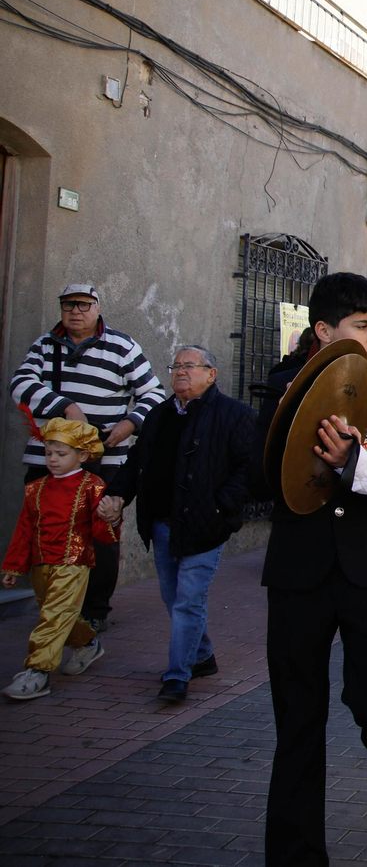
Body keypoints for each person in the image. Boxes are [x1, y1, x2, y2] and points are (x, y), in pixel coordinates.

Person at [254, 272, 367, 863]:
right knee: (297, 720)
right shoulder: (281, 390)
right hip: (299, 572)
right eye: (363, 325)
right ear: (324, 331)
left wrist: (357, 467)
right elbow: (258, 479)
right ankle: (296, 853)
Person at [102, 345, 254, 705]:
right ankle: (201, 656)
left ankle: (177, 676)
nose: (180, 372)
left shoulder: (235, 415)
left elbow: (247, 469)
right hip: (163, 524)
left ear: (211, 374)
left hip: (205, 525)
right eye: (176, 366)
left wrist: (219, 508)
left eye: (190, 366)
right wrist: (117, 495)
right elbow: (137, 460)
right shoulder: (158, 416)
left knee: (188, 600)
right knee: (173, 597)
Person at [9, 284, 164, 632]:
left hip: (106, 461)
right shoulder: (44, 346)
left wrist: (129, 423)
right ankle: (51, 606)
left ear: (97, 308)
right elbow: (20, 383)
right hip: (48, 460)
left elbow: (154, 394)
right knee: (42, 528)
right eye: (68, 305)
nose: (74, 311)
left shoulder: (122, 346)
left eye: (83, 305)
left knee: (100, 534)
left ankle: (94, 612)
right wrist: (65, 407)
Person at [1, 419, 115, 701]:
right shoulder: (35, 489)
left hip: (74, 561)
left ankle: (38, 672)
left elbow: (103, 531)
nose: (52, 459)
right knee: (57, 613)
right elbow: (24, 530)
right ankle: (87, 644)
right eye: (48, 453)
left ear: (83, 455)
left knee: (54, 614)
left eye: (61, 454)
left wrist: (109, 516)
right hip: (42, 563)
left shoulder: (92, 486)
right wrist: (14, 567)